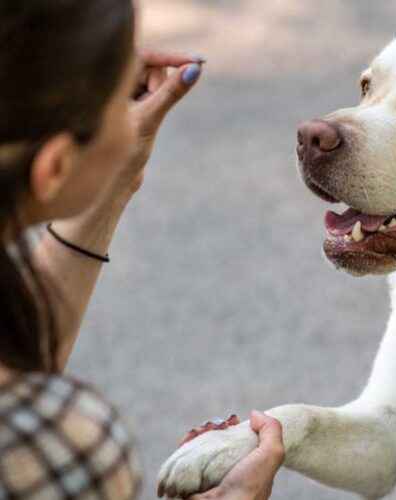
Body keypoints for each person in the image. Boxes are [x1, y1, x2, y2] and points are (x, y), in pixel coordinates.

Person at [0, 1, 284, 498]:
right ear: (55, 167)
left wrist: (115, 179)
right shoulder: (55, 445)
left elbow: (24, 360)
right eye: (115, 100)